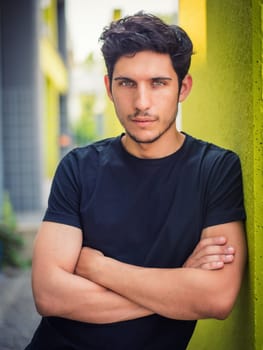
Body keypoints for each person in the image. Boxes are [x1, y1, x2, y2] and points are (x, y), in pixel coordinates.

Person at [25, 12, 247, 350]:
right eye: (127, 83)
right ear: (108, 88)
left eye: (158, 82)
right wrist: (179, 285)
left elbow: (215, 298)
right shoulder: (78, 168)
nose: (141, 103)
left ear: (182, 87)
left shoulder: (215, 169)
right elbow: (49, 295)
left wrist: (99, 268)